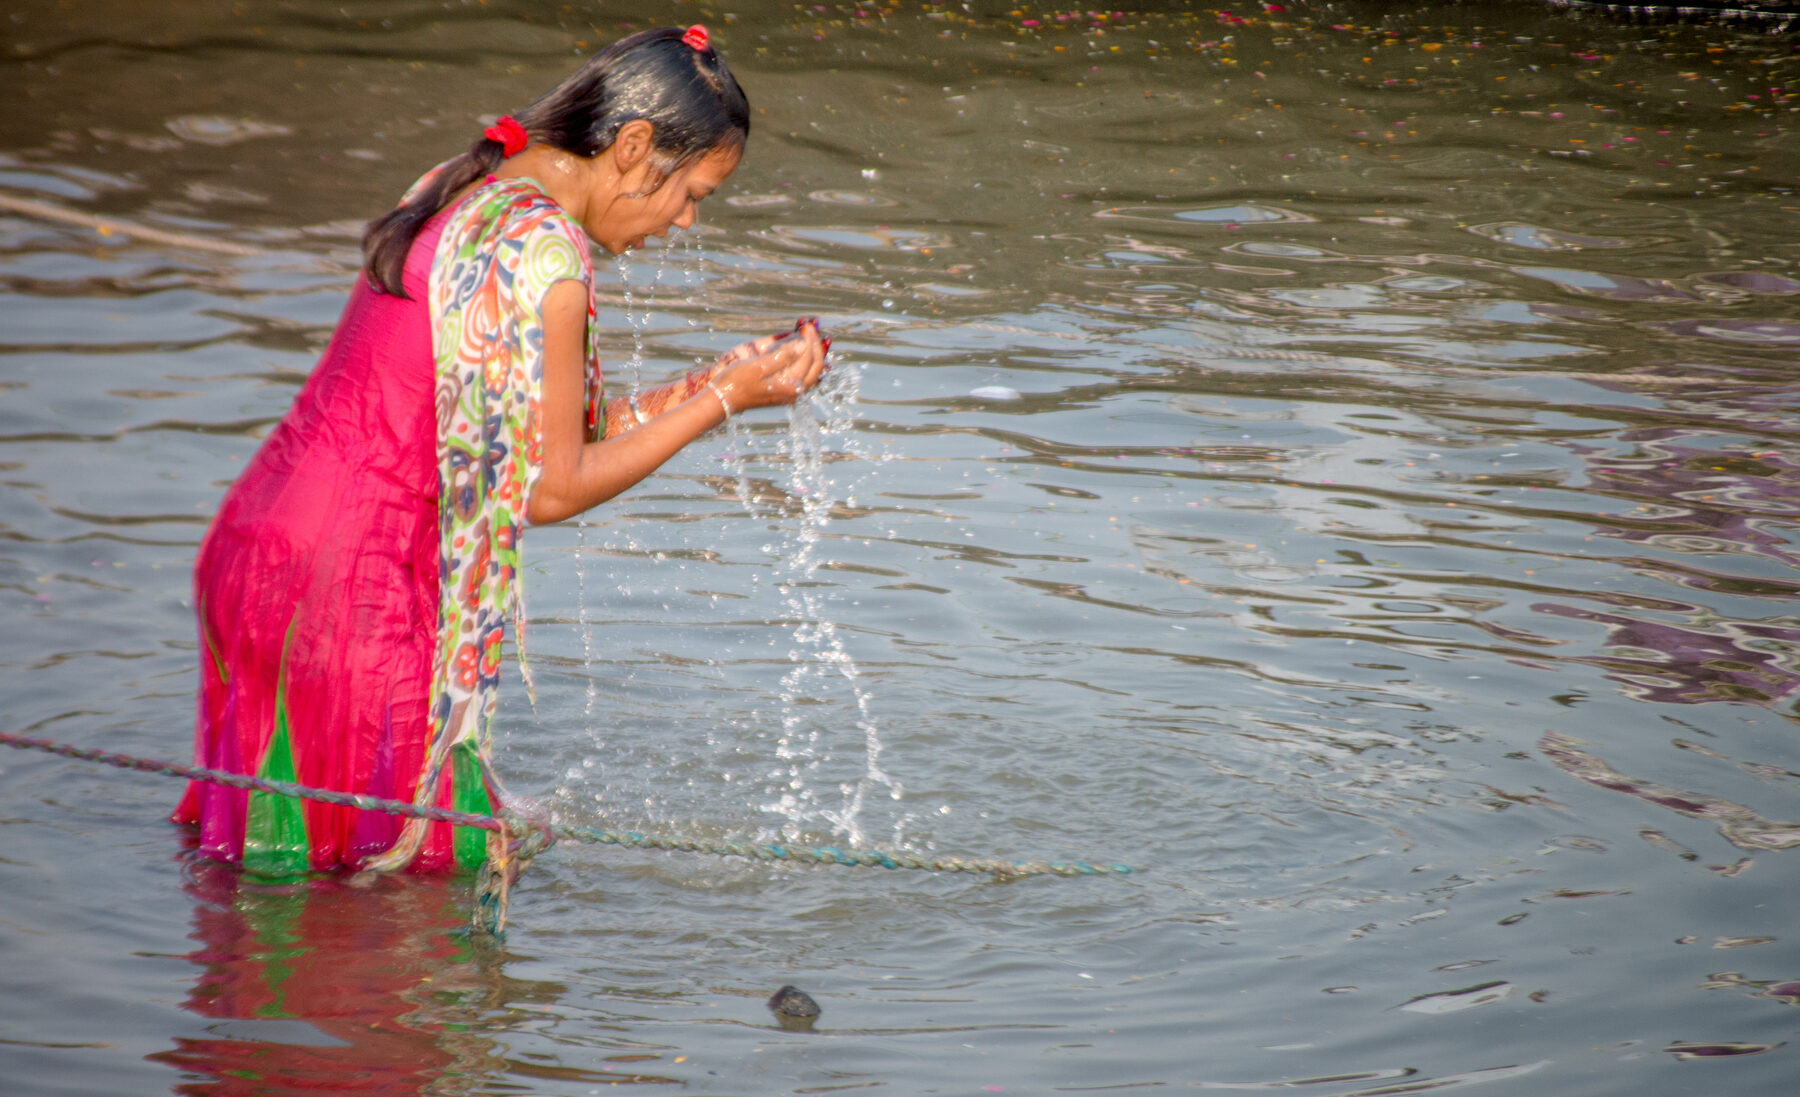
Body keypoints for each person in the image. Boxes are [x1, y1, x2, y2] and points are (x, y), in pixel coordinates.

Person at [171, 25, 827, 878]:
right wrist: (724, 402)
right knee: (412, 917)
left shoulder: (471, 186)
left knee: (270, 882)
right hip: (351, 594)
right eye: (692, 192)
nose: (687, 220)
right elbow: (546, 487)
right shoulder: (546, 254)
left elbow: (518, 434)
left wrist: (712, 381)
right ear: (633, 147)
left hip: (262, 553)